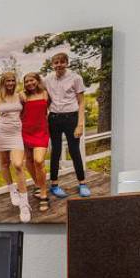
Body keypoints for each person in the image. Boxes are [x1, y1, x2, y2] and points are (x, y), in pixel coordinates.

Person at [0, 70, 31, 223]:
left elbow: (27, 113)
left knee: (18, 165)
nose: (10, 83)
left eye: (12, 80)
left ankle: (24, 204)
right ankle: (12, 190)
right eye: (7, 81)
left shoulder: (20, 96)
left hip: (16, 134)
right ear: (3, 82)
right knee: (4, 164)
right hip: (0, 133)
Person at [43, 51, 89, 199]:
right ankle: (54, 185)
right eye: (56, 62)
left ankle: (82, 183)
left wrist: (80, 124)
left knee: (74, 151)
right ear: (52, 65)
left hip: (71, 118)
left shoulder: (76, 78)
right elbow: (43, 98)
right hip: (54, 119)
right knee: (55, 151)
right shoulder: (47, 79)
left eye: (62, 62)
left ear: (67, 63)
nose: (59, 65)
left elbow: (81, 102)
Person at [20, 71, 51, 214]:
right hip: (25, 131)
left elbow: (48, 109)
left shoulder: (45, 94)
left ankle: (44, 194)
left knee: (38, 161)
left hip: (41, 132)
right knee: (29, 161)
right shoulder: (22, 96)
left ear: (38, 81)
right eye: (26, 81)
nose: (29, 83)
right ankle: (38, 185)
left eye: (32, 80)